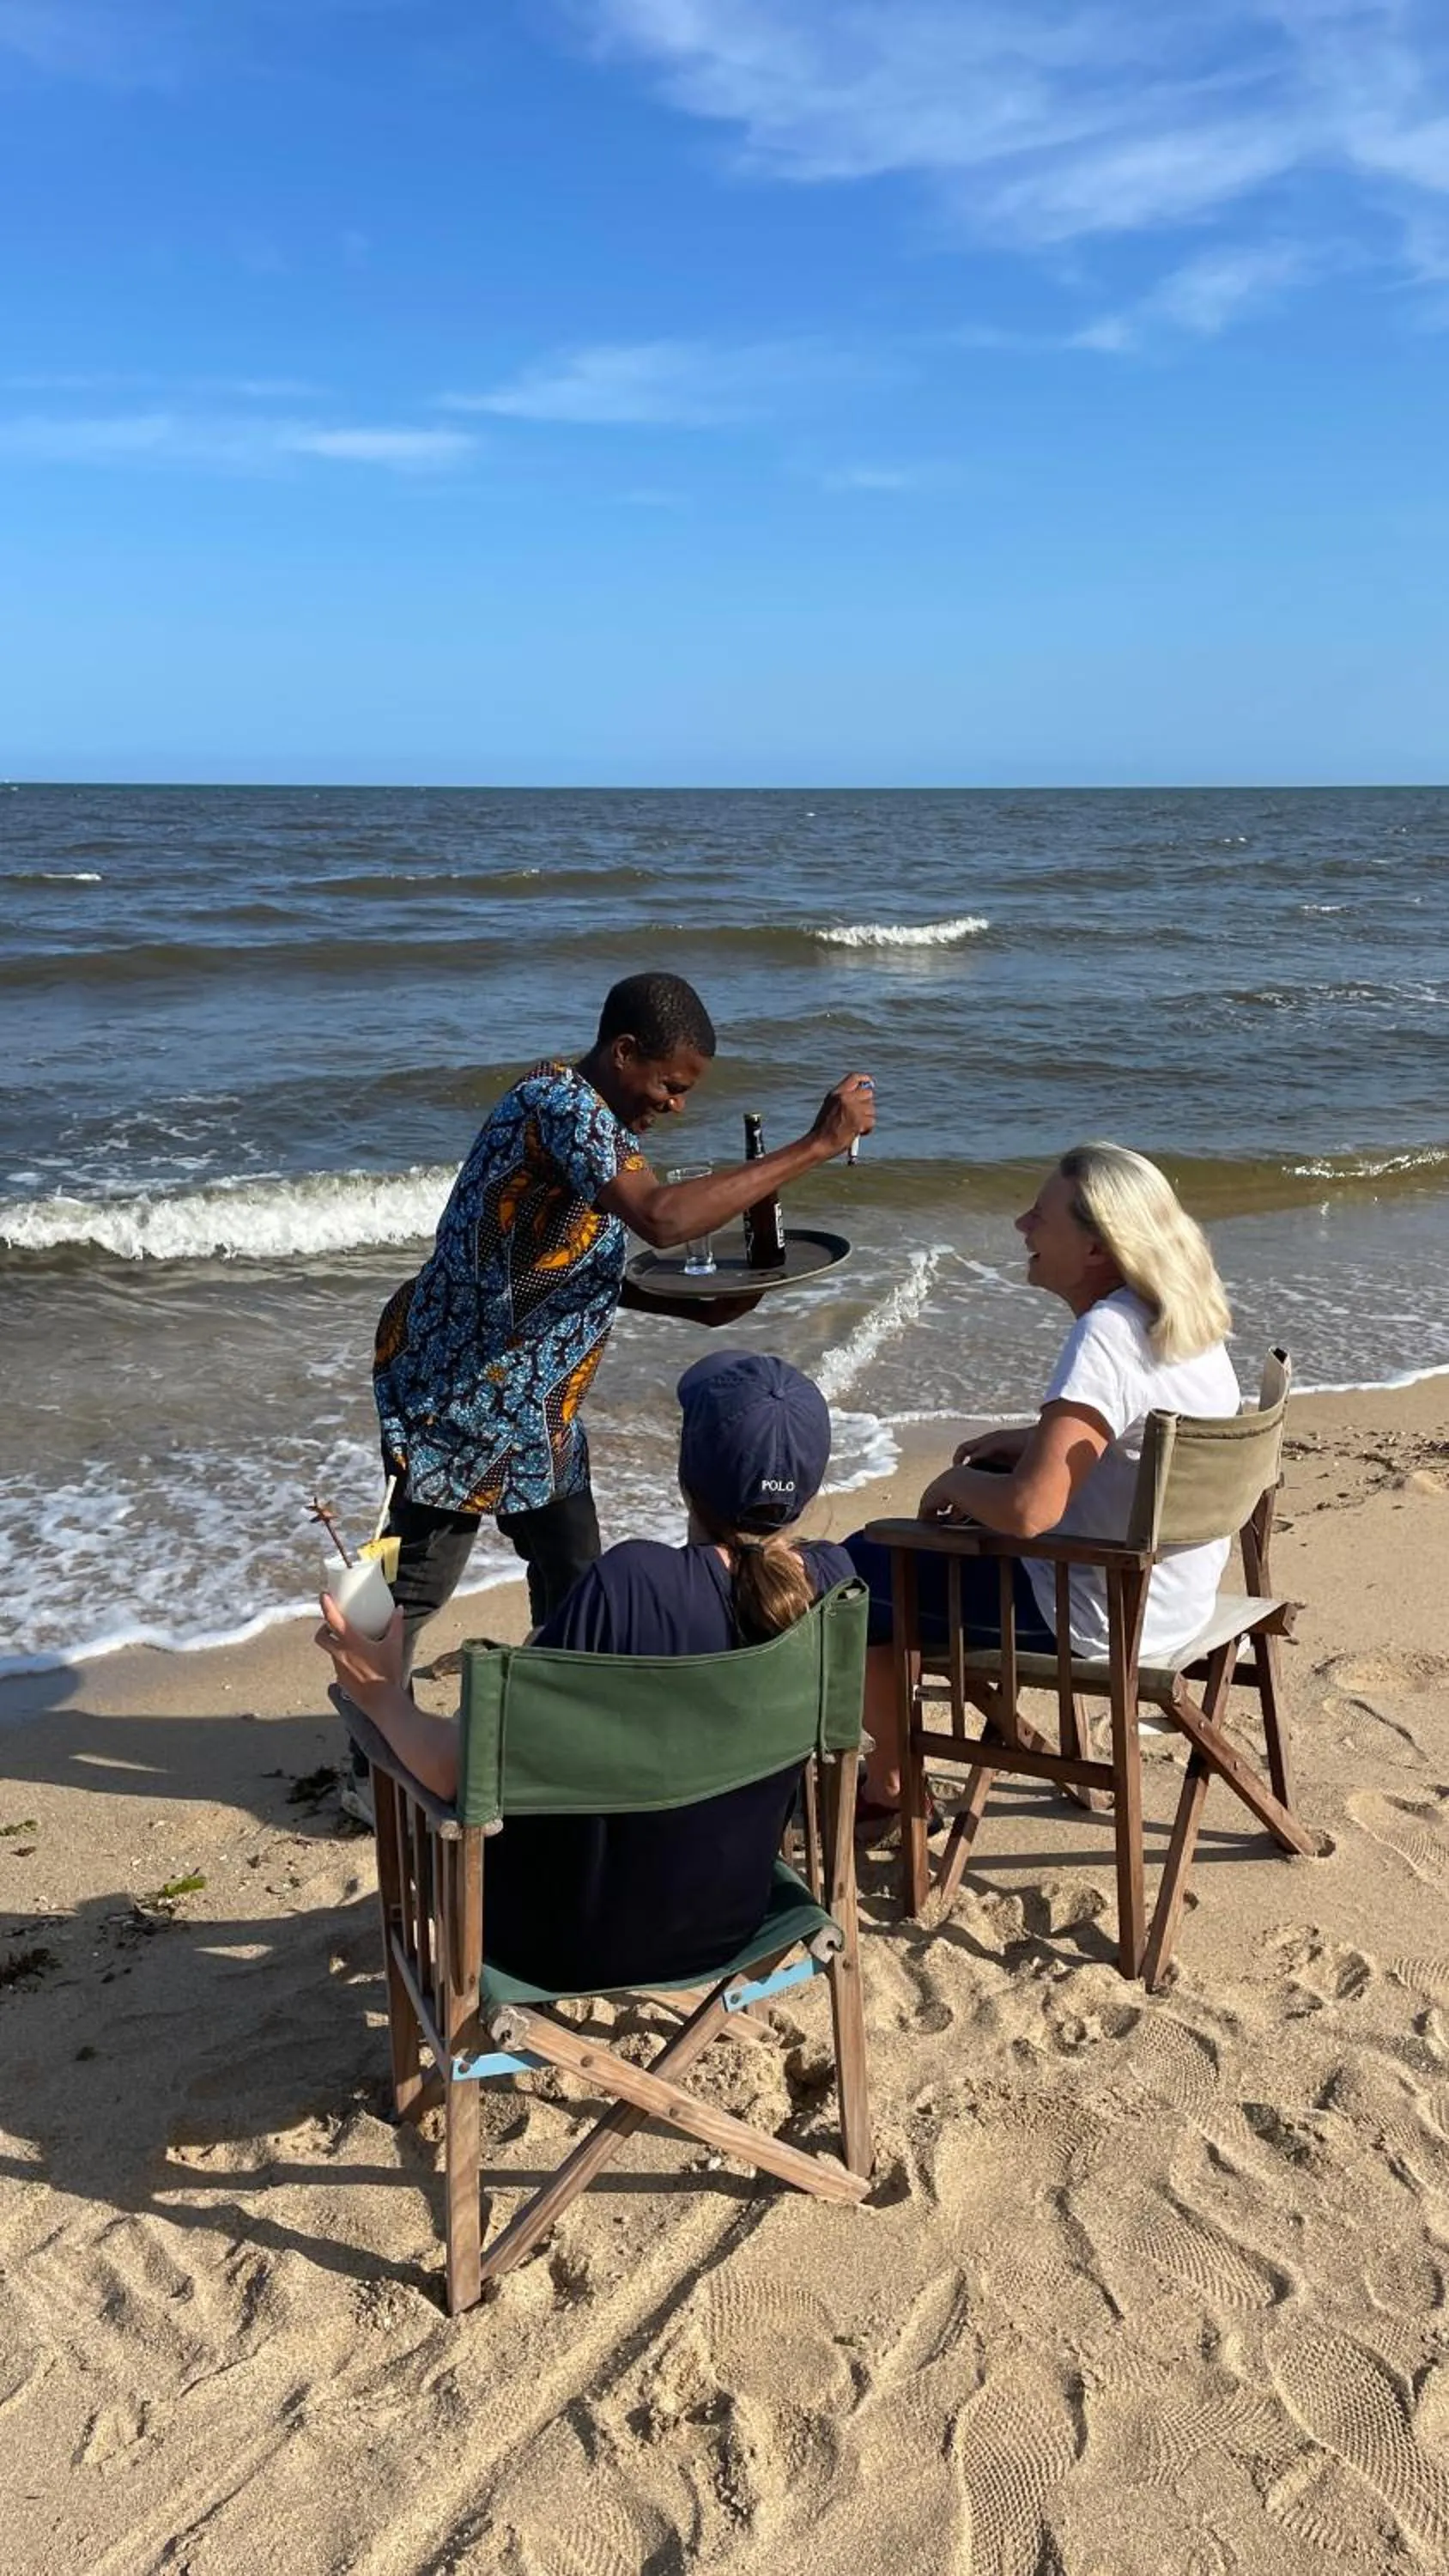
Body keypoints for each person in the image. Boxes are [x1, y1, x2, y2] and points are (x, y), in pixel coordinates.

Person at [371, 970, 874, 1668]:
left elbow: (553, 1268)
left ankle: (559, 1720)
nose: (676, 1105)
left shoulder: (601, 1128)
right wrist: (815, 1145)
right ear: (624, 1052)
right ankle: (368, 1740)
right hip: (454, 1391)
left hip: (535, 1406)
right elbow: (660, 1219)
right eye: (670, 1085)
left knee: (576, 1581)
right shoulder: (560, 1107)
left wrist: (689, 1307)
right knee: (409, 1586)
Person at [318, 1352, 857, 1991]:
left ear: (687, 1474)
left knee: (418, 1789)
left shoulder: (632, 1587)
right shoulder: (835, 1586)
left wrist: (380, 1695)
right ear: (812, 1484)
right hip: (731, 1922)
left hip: (563, 1944)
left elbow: (456, 1772)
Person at [846, 1143, 1240, 1807]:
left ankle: (889, 1784)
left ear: (1096, 1248)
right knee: (892, 1573)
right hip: (1175, 1600)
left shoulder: (1107, 1335)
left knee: (852, 1578)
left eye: (1040, 1217)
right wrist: (1031, 1440)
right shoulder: (1188, 1321)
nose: (1023, 1227)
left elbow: (1031, 1511)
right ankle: (900, 1766)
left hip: (1091, 1616)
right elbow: (1145, 1442)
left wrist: (952, 1486)